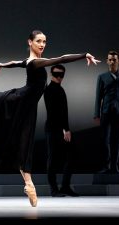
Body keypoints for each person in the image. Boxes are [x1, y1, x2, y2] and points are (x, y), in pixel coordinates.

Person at [0, 30, 101, 207]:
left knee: (24, 142)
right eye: (38, 41)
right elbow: (60, 59)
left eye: (45, 41)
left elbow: (17, 62)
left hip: (28, 109)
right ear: (30, 42)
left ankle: (29, 185)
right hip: (18, 100)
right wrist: (84, 55)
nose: (42, 44)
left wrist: (2, 65)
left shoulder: (31, 61)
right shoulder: (36, 62)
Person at [94, 50, 119, 174]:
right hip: (105, 112)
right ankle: (106, 166)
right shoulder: (102, 77)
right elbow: (98, 97)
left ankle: (114, 167)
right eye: (110, 59)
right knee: (105, 140)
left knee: (116, 141)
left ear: (118, 61)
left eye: (114, 59)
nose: (112, 61)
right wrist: (96, 114)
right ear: (107, 61)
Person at [44, 64, 79, 197]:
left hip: (60, 129)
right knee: (52, 159)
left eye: (61, 75)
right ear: (51, 74)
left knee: (70, 156)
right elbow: (54, 113)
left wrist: (66, 129)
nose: (59, 77)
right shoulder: (50, 90)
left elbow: (64, 112)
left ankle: (64, 187)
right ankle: (54, 190)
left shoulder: (60, 89)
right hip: (53, 129)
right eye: (56, 74)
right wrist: (65, 129)